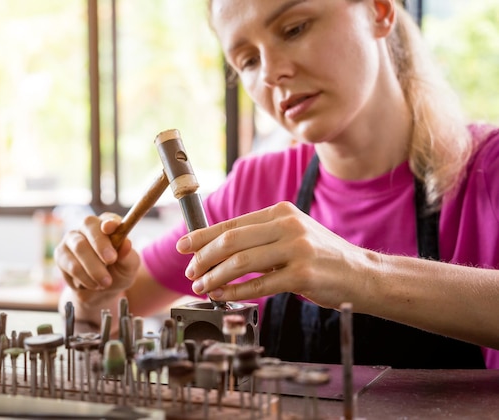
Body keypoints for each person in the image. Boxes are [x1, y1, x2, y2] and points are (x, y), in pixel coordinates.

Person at [55, 0, 499, 369]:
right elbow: (110, 309)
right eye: (247, 59)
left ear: (379, 11)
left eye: (294, 28)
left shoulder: (487, 169)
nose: (270, 73)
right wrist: (94, 289)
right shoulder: (253, 186)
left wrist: (363, 275)